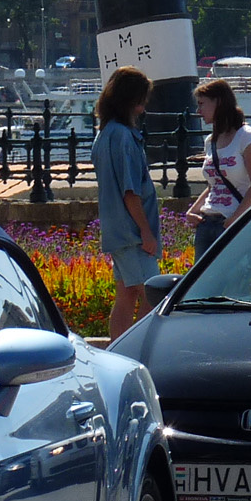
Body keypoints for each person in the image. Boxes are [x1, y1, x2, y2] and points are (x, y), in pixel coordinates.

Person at [90, 66, 160, 342]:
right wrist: (146, 231)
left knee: (125, 294)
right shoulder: (123, 137)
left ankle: (118, 348)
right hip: (132, 234)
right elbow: (130, 192)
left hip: (115, 230)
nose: (143, 106)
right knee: (155, 295)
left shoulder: (105, 133)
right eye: (141, 100)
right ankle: (135, 345)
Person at [184, 78, 251, 261]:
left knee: (234, 285)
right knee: (202, 285)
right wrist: (194, 211)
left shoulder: (246, 136)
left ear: (218, 102)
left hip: (231, 222)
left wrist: (235, 219)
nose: (198, 111)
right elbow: (214, 184)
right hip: (207, 222)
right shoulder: (210, 141)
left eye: (202, 104)